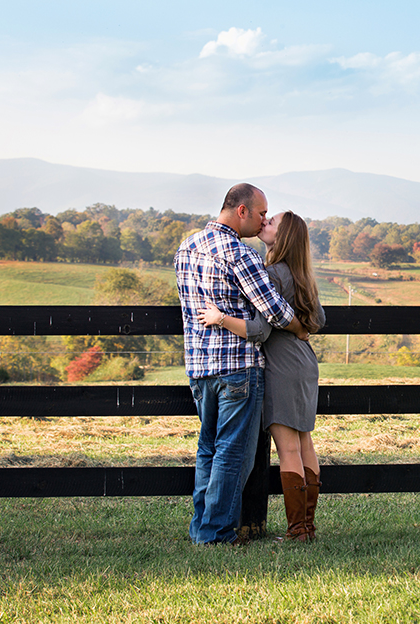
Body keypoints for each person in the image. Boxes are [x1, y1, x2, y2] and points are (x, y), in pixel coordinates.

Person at [174, 183, 308, 546]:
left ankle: (202, 528)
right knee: (234, 453)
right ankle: (216, 534)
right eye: (262, 213)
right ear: (242, 211)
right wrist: (302, 327)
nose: (265, 219)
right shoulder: (239, 253)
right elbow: (277, 313)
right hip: (237, 366)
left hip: (200, 366)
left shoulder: (187, 246)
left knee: (208, 449)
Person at [199, 210, 325, 542]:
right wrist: (299, 327)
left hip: (282, 367)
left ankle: (298, 530)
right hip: (305, 364)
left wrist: (220, 318)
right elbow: (318, 321)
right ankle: (307, 526)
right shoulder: (302, 275)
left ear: (282, 238)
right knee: (304, 443)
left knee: (288, 450)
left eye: (272, 223)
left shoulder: (271, 275)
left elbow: (258, 330)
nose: (265, 224)